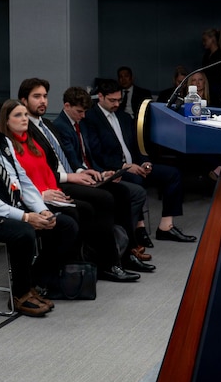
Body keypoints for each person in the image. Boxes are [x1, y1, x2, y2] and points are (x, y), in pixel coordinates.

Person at [0, 98, 80, 316]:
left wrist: (40, 209)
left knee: (65, 225)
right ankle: (19, 294)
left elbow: (22, 180)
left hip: (9, 208)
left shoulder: (2, 142)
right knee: (24, 232)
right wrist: (26, 217)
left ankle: (33, 282)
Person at [19, 78, 153, 277]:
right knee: (103, 198)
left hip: (68, 176)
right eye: (36, 97)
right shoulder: (26, 129)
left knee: (121, 191)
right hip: (55, 183)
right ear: (23, 100)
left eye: (45, 96)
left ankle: (125, 254)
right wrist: (74, 176)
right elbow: (40, 169)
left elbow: (68, 157)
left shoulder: (46, 124)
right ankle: (108, 262)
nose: (43, 101)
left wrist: (84, 172)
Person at [51, 85, 155, 264]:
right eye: (79, 112)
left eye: (84, 112)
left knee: (127, 192)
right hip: (75, 178)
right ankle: (120, 249)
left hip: (90, 172)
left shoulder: (79, 123)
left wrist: (102, 173)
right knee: (113, 196)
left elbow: (89, 156)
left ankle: (127, 246)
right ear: (66, 106)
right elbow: (73, 160)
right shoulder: (60, 126)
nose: (83, 116)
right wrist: (91, 174)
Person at [85, 79, 195, 246]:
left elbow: (138, 146)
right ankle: (139, 228)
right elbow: (96, 154)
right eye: (112, 100)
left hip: (136, 165)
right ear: (100, 96)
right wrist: (124, 167)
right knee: (135, 181)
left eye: (119, 100)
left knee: (172, 174)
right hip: (114, 169)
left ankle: (166, 226)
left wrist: (145, 162)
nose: (117, 104)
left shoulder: (123, 116)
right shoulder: (91, 118)